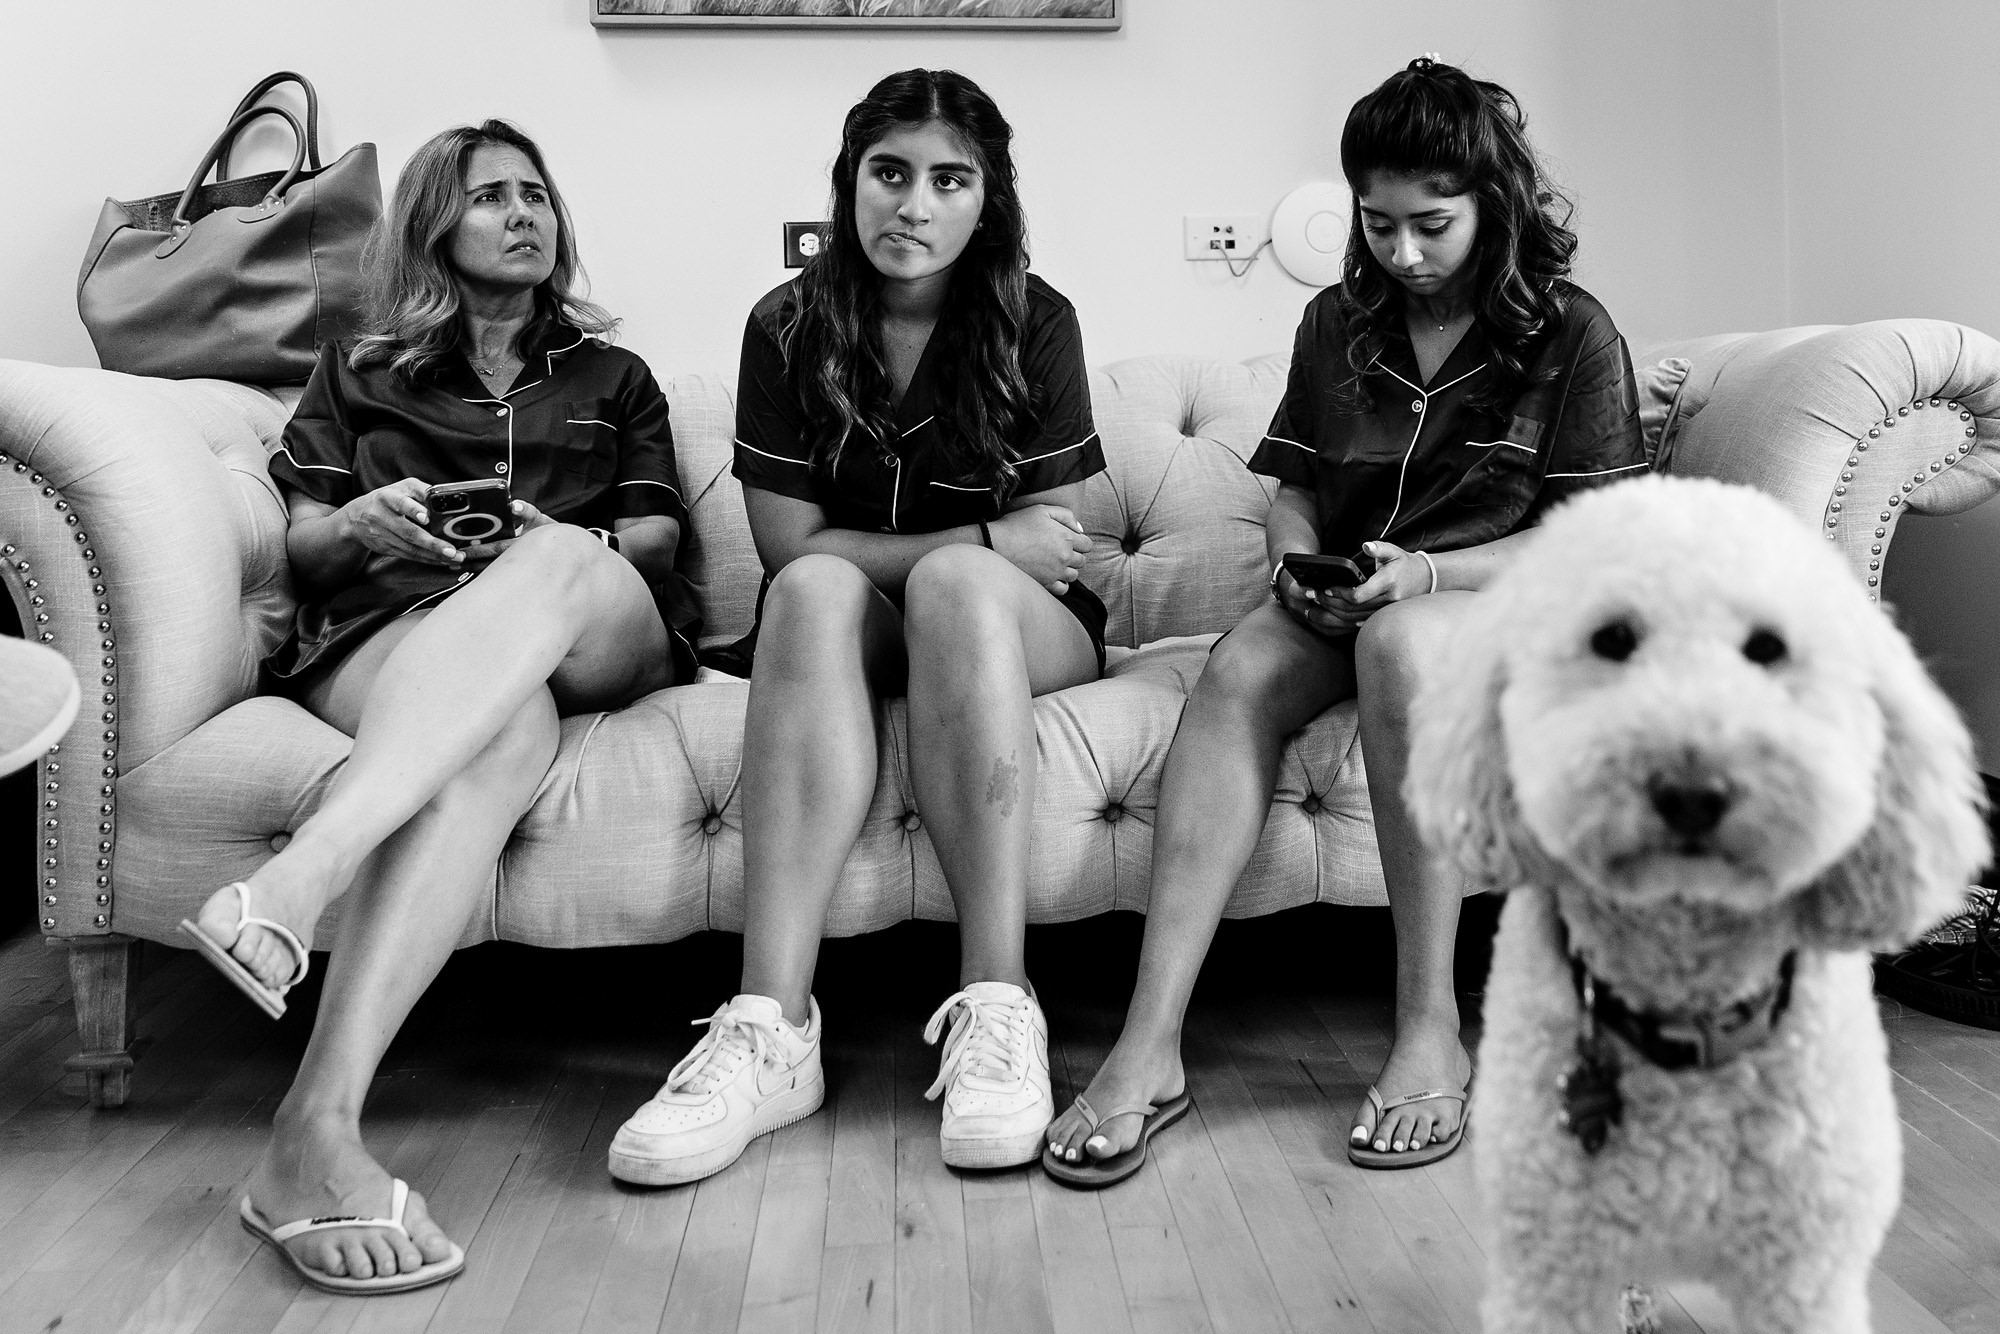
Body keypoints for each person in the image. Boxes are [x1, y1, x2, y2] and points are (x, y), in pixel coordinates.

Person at [1043, 57, 1646, 1185]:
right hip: (1352, 593)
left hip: (1494, 603)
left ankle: (1427, 1025)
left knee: (1400, 642)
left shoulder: (1569, 331)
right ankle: (1149, 1042)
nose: (1402, 253)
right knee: (1232, 673)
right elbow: (1293, 486)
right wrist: (1288, 561)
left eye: (1431, 224)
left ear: (1495, 203)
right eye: (1377, 224)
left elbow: (1593, 539)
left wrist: (1424, 575)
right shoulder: (1338, 320)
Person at [178, 120, 698, 1290]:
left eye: (536, 195)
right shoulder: (357, 367)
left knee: (558, 564)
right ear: (431, 227)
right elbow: (304, 555)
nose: (524, 215)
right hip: (397, 633)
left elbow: (660, 537)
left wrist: (562, 544)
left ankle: (304, 873)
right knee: (495, 729)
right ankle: (311, 1136)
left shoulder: (614, 375)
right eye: (489, 198)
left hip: (593, 627)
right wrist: (355, 523)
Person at [608, 68, 1103, 1185]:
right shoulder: (783, 325)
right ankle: (771, 1024)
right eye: (889, 174)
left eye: (947, 179)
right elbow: (793, 551)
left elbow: (1050, 549)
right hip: (878, 612)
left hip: (1022, 627)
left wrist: (976, 561)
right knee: (817, 594)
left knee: (955, 591)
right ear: (847, 184)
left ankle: (996, 1004)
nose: (912, 206)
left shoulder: (1037, 318)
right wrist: (978, 540)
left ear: (988, 197)